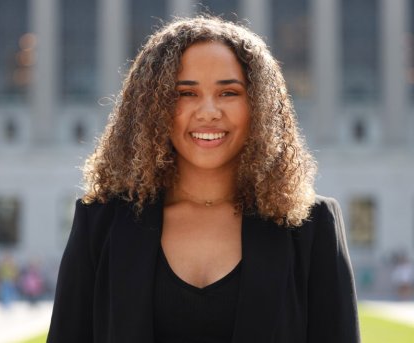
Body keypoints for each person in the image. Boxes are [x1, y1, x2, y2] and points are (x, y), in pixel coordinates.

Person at [48, 16, 360, 342]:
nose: (209, 111)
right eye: (186, 93)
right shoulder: (100, 223)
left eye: (228, 92)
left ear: (259, 106)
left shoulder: (311, 227)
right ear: (151, 107)